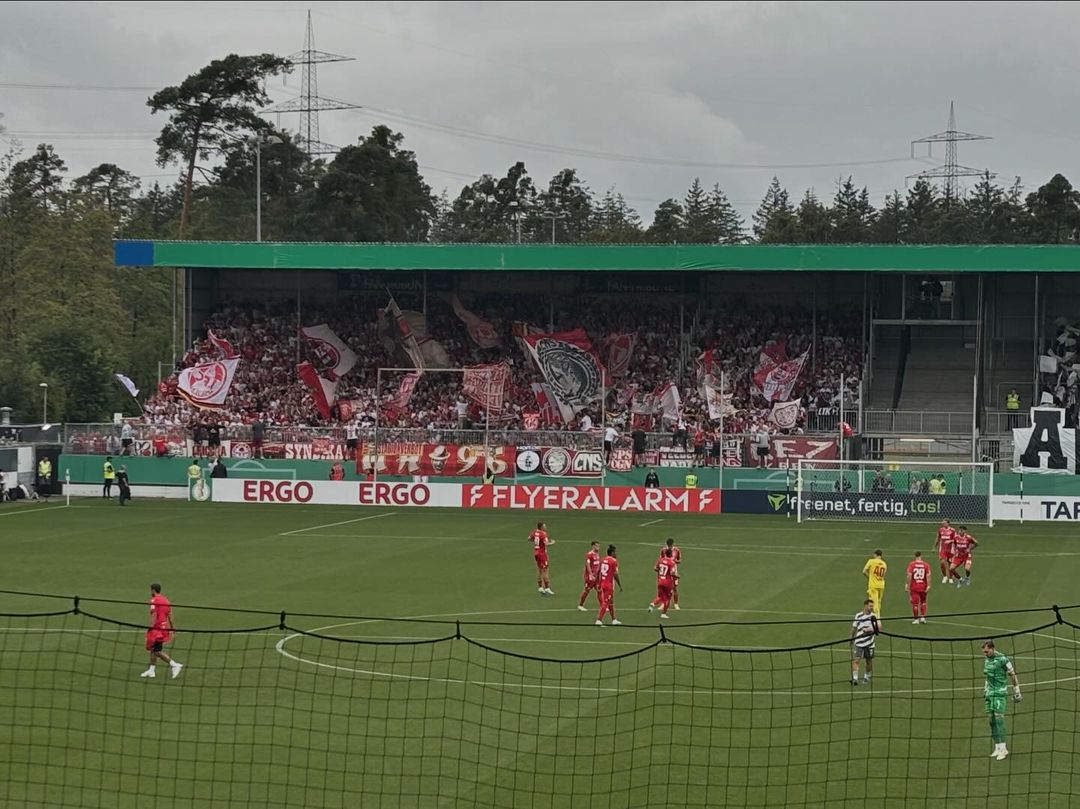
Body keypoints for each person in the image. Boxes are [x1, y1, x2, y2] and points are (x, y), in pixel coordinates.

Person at [982, 640, 1022, 760]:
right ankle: (997, 747)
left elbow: (1012, 674)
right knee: (991, 720)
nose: (985, 654)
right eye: (984, 652)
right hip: (989, 694)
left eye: (987, 651)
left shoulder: (1003, 659)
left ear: (993, 648)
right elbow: (988, 676)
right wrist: (985, 688)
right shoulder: (986, 660)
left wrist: (1017, 691)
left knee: (999, 719)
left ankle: (1004, 749)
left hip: (999, 693)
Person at [140, 583, 183, 679]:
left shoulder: (154, 600)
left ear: (153, 590)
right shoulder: (166, 600)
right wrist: (173, 627)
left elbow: (154, 615)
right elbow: (170, 615)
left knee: (156, 651)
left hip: (157, 630)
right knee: (153, 649)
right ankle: (151, 671)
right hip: (164, 629)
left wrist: (150, 627)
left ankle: (174, 665)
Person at [850, 599, 879, 686]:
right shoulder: (858, 616)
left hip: (870, 643)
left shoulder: (873, 617)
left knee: (868, 661)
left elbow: (876, 629)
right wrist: (851, 638)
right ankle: (855, 679)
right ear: (865, 606)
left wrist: (868, 630)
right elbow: (854, 628)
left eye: (872, 606)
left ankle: (866, 676)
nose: (871, 608)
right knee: (856, 660)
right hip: (859, 642)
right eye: (870, 606)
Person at [595, 544, 623, 626]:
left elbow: (598, 572)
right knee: (606, 602)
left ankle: (614, 619)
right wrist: (620, 585)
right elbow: (615, 574)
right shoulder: (613, 561)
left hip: (603, 583)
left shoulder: (602, 560)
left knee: (611, 602)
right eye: (615, 552)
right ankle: (599, 619)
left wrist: (598, 583)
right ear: (612, 552)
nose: (616, 553)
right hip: (609, 585)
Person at [648, 547, 678, 619]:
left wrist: (661, 572)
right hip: (667, 582)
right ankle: (663, 614)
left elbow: (655, 568)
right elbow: (672, 572)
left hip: (660, 581)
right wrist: (677, 576)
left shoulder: (660, 560)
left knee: (660, 597)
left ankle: (653, 604)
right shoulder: (671, 563)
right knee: (668, 598)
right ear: (670, 554)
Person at [905, 550, 931, 624]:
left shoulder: (912, 564)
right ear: (921, 556)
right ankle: (923, 617)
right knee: (923, 602)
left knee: (915, 604)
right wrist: (928, 585)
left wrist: (907, 585)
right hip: (923, 586)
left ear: (915, 556)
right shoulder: (926, 565)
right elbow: (928, 575)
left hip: (914, 586)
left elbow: (909, 575)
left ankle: (916, 619)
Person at [529, 522, 554, 595]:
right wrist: (552, 542)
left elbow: (529, 539)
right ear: (541, 527)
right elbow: (546, 544)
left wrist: (537, 543)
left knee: (539, 570)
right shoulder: (543, 534)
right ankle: (547, 588)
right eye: (544, 526)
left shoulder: (535, 532)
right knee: (545, 570)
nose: (545, 527)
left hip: (536, 552)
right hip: (542, 553)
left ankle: (540, 587)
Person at [577, 541, 602, 611]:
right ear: (593, 546)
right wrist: (591, 574)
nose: (598, 547)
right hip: (590, 577)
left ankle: (602, 606)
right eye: (596, 546)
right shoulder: (589, 554)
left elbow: (597, 564)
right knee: (587, 590)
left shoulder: (597, 554)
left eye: (598, 546)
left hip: (596, 576)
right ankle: (580, 605)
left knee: (599, 590)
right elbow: (587, 565)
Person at [862, 549, 887, 616]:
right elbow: (883, 575)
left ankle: (876, 617)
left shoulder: (871, 561)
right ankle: (877, 614)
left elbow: (864, 571)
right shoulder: (884, 564)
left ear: (875, 555)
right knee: (879, 602)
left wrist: (870, 578)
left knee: (873, 602)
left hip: (873, 585)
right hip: (881, 585)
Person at [934, 519, 957, 584]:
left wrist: (950, 541)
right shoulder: (940, 530)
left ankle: (950, 577)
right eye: (942, 523)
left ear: (948, 523)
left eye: (944, 523)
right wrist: (935, 546)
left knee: (950, 564)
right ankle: (944, 576)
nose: (943, 524)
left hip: (951, 550)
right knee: (942, 563)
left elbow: (956, 539)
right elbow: (938, 538)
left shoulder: (952, 530)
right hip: (942, 550)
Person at [662, 537, 683, 609]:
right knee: (664, 588)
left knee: (674, 588)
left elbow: (679, 560)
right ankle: (664, 603)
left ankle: (676, 604)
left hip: (673, 570)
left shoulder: (676, 550)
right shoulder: (663, 550)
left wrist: (674, 561)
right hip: (665, 571)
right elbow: (661, 559)